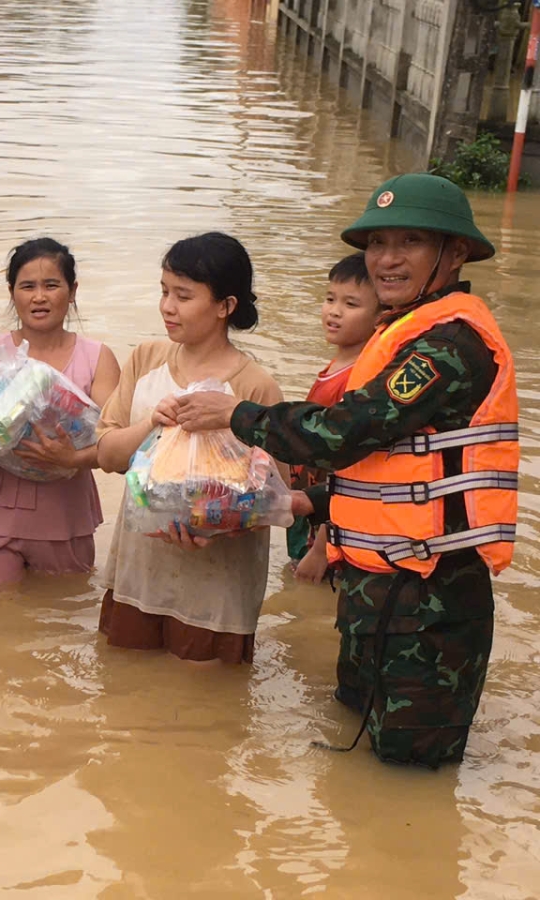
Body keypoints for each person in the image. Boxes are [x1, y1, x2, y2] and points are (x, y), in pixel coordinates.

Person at [175, 174, 517, 767]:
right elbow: (396, 470)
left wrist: (238, 413)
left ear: (456, 251)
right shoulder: (401, 331)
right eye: (377, 242)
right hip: (375, 593)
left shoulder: (449, 346)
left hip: (430, 607)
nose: (385, 259)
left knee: (408, 776)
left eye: (409, 241)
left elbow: (341, 434)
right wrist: (309, 506)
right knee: (352, 759)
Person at [95, 232, 284, 664]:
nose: (167, 306)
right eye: (164, 291)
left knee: (206, 709)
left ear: (225, 306)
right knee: (122, 702)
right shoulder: (146, 360)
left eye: (183, 295)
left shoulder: (255, 387)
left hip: (216, 594)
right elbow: (106, 456)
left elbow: (276, 500)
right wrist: (151, 423)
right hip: (138, 574)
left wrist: (214, 526)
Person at [0, 238, 120, 585]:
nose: (39, 297)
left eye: (51, 285)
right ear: (11, 292)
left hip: (64, 515)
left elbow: (116, 447)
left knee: (59, 622)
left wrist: (72, 458)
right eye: (27, 286)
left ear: (72, 290)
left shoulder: (98, 358)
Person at [289, 252, 380, 584]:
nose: (334, 311)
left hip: (331, 531)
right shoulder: (334, 368)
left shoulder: (359, 380)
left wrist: (322, 549)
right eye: (330, 299)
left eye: (351, 304)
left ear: (380, 316)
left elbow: (351, 471)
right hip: (309, 513)